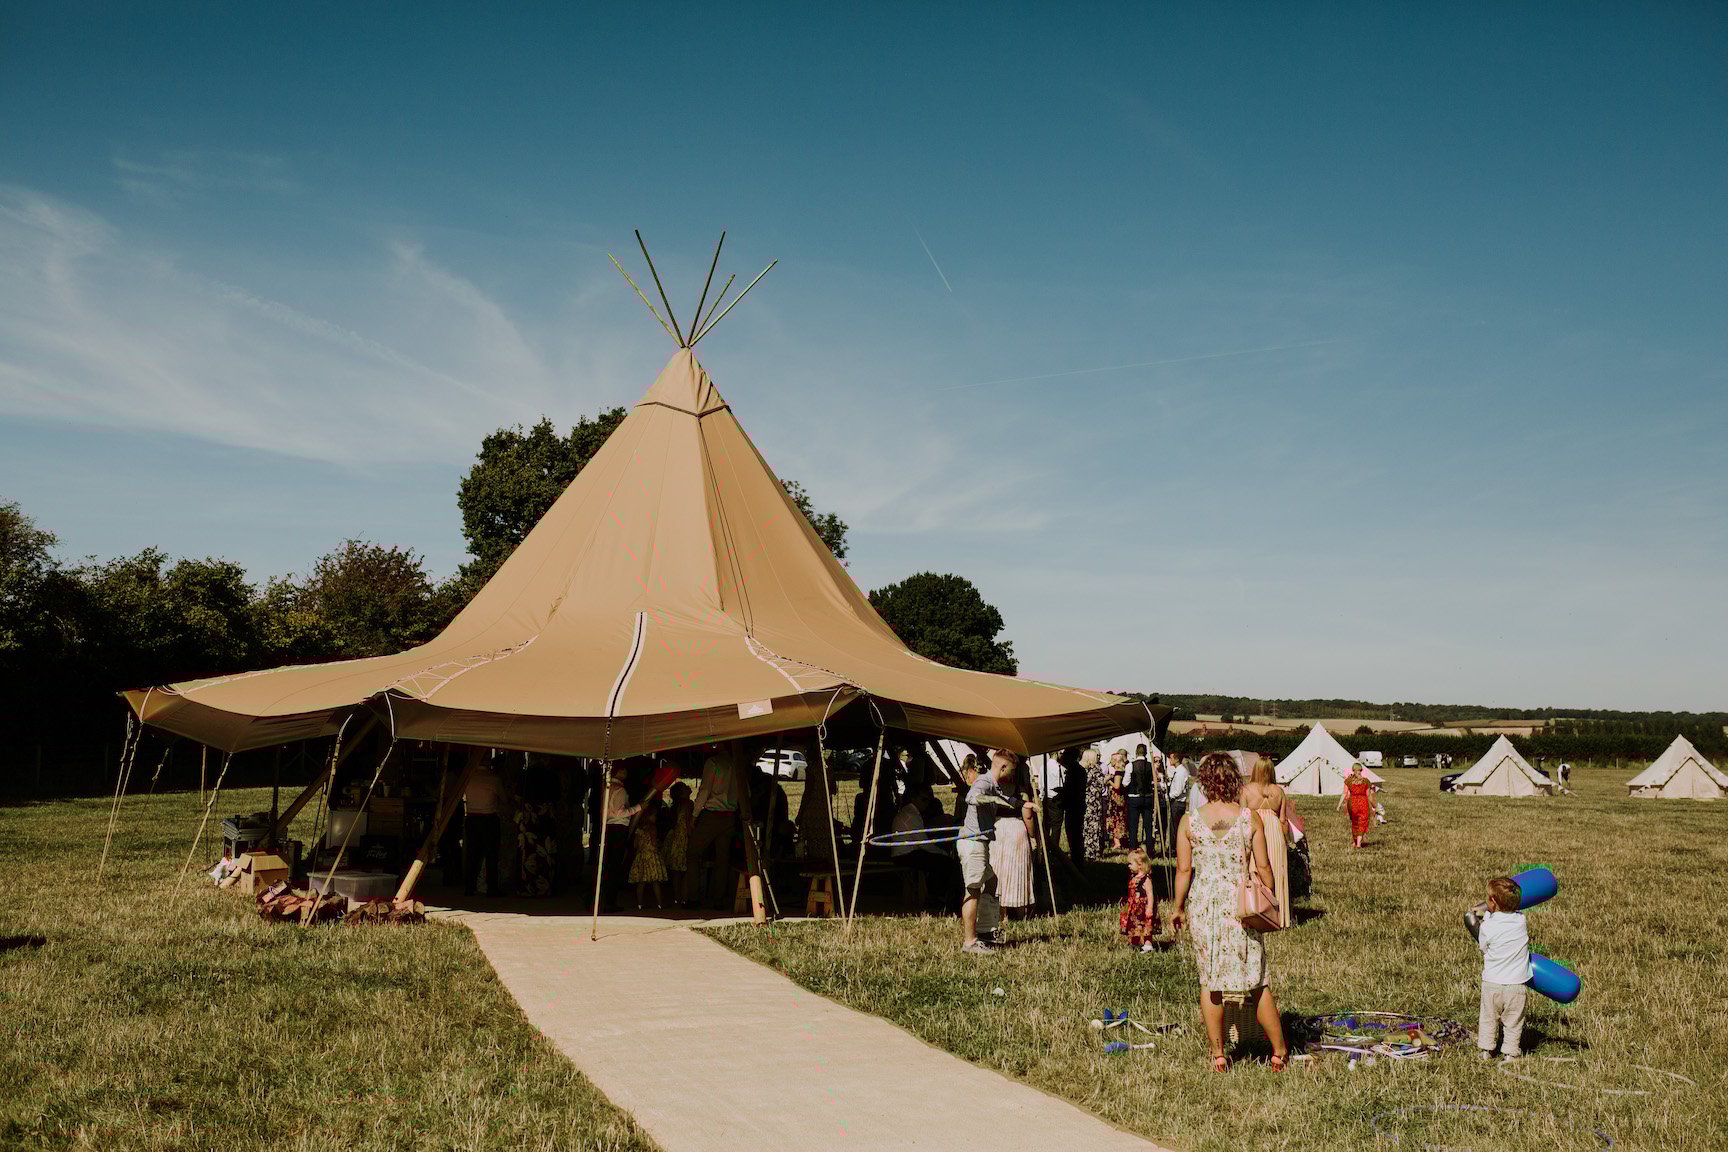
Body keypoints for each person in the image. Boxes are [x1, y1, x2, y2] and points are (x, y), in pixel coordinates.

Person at [1169, 752, 1289, 1072]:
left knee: (1211, 982)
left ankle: (1219, 1054)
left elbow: (1183, 870)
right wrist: (1271, 899)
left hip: (1204, 904)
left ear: (1205, 781)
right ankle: (1278, 1052)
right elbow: (1263, 867)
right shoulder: (1251, 819)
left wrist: (1177, 907)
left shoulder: (1189, 821)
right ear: (1235, 779)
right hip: (1241, 906)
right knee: (1258, 980)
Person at [958, 749, 1030, 954]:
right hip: (973, 843)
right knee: (972, 890)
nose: (1013, 776)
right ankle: (970, 942)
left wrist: (1026, 804)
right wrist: (992, 800)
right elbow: (972, 797)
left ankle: (986, 932)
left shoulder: (994, 784)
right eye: (1012, 771)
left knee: (991, 882)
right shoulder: (984, 782)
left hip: (980, 842)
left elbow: (1007, 799)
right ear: (1003, 767)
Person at [1466, 876, 1530, 1060]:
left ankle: (1486, 1050)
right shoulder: (1521, 921)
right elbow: (1507, 914)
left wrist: (1480, 914)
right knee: (1513, 1022)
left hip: (1492, 983)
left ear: (1493, 903)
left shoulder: (1487, 926)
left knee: (1488, 1019)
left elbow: (1483, 946)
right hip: (1516, 986)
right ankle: (1510, 1052)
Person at [684, 751, 741, 908]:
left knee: (693, 853)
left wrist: (694, 815)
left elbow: (705, 790)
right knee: (722, 858)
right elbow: (745, 790)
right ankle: (718, 899)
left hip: (712, 814)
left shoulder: (713, 762)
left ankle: (693, 898)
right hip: (730, 815)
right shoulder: (735, 763)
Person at [1240, 759, 1293, 928]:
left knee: (1255, 870)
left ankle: (1256, 910)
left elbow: (1242, 816)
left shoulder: (1246, 790)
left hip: (1255, 829)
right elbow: (1283, 820)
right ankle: (1280, 916)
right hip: (1275, 830)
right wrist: (1287, 841)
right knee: (1277, 871)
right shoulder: (1279, 791)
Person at [989, 761, 1038, 917]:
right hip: (1016, 829)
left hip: (997, 828)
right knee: (1017, 868)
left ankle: (1001, 910)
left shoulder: (993, 789)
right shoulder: (1021, 791)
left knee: (999, 869)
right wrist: (1032, 836)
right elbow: (1028, 816)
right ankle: (1019, 910)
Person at [515, 754, 558, 897]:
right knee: (545, 850)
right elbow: (557, 796)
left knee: (527, 850)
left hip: (529, 815)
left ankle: (527, 886)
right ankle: (544, 886)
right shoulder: (551, 775)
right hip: (546, 815)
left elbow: (517, 797)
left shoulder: (524, 775)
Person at [463, 750, 503, 897]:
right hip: (489, 819)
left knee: (472, 855)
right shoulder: (494, 779)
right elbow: (503, 798)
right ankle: (492, 887)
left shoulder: (468, 778)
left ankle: (469, 886)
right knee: (491, 856)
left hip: (472, 818)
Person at [796, 755, 841, 861]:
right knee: (824, 841)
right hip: (825, 810)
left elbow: (808, 792)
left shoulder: (812, 768)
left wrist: (800, 813)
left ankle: (813, 865)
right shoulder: (828, 767)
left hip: (813, 809)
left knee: (810, 841)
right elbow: (833, 789)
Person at [1119, 847, 1162, 951]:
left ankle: (1148, 944)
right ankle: (1134, 943)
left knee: (1146, 926)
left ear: (1140, 865)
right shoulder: (1134, 877)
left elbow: (1150, 894)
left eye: (1130, 864)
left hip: (1143, 908)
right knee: (1133, 925)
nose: (1128, 866)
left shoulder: (1146, 879)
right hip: (1134, 908)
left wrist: (1150, 908)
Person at [1125, 743, 1159, 851]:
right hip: (1148, 797)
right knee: (1148, 824)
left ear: (1136, 752)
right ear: (1145, 753)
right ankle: (1149, 848)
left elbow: (1125, 782)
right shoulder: (1151, 765)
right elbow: (1154, 780)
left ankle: (1133, 847)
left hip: (1134, 796)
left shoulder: (1130, 765)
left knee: (1133, 824)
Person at [662, 780, 694, 897]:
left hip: (675, 839)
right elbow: (688, 823)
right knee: (686, 868)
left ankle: (676, 896)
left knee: (676, 870)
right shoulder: (689, 804)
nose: (688, 787)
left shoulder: (676, 805)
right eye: (685, 787)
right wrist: (691, 837)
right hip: (684, 838)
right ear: (682, 793)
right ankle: (685, 896)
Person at [1336, 762, 1375, 849]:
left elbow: (1344, 793)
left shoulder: (1348, 781)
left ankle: (1354, 841)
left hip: (1352, 803)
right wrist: (1374, 805)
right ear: (1361, 770)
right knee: (1362, 822)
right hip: (1363, 803)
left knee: (1354, 822)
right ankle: (1358, 843)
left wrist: (1339, 805)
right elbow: (1369, 795)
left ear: (1353, 770)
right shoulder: (1366, 781)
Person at [1165, 753, 1191, 844]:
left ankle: (1174, 847)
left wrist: (1168, 796)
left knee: (1174, 827)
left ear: (1176, 760)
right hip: (1178, 803)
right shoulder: (1179, 771)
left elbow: (1178, 791)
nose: (1169, 760)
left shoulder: (1180, 773)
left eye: (1171, 758)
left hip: (1177, 803)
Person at [1107, 748, 1129, 851]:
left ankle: (1117, 842)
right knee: (1121, 819)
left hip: (1117, 799)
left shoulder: (1117, 772)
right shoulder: (1123, 771)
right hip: (1122, 798)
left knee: (1115, 819)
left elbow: (1116, 786)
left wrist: (1108, 781)